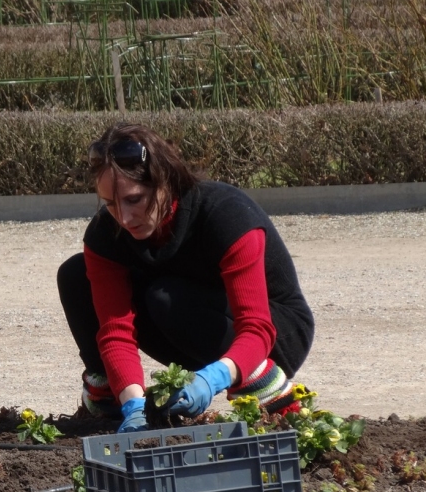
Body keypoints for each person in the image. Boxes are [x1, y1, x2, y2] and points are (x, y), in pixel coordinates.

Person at [57, 122, 314, 434]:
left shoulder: (226, 214)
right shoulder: (106, 234)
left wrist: (211, 380)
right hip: (183, 317)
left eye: (134, 199)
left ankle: (262, 381)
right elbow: (116, 332)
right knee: (75, 275)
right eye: (111, 204)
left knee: (165, 297)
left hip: (273, 333)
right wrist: (134, 405)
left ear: (164, 180)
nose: (123, 218)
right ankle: (110, 394)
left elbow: (257, 326)